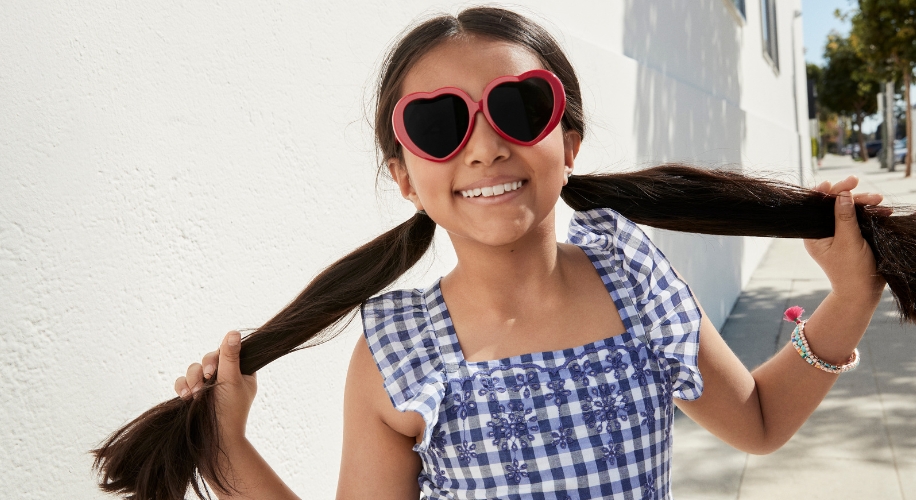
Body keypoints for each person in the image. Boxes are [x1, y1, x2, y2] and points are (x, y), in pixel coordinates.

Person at [96, 7, 909, 500]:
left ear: (570, 141)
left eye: (519, 107)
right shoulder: (395, 350)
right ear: (405, 175)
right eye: (441, 125)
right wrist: (228, 446)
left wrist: (851, 296)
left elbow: (759, 423)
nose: (483, 146)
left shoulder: (631, 273)